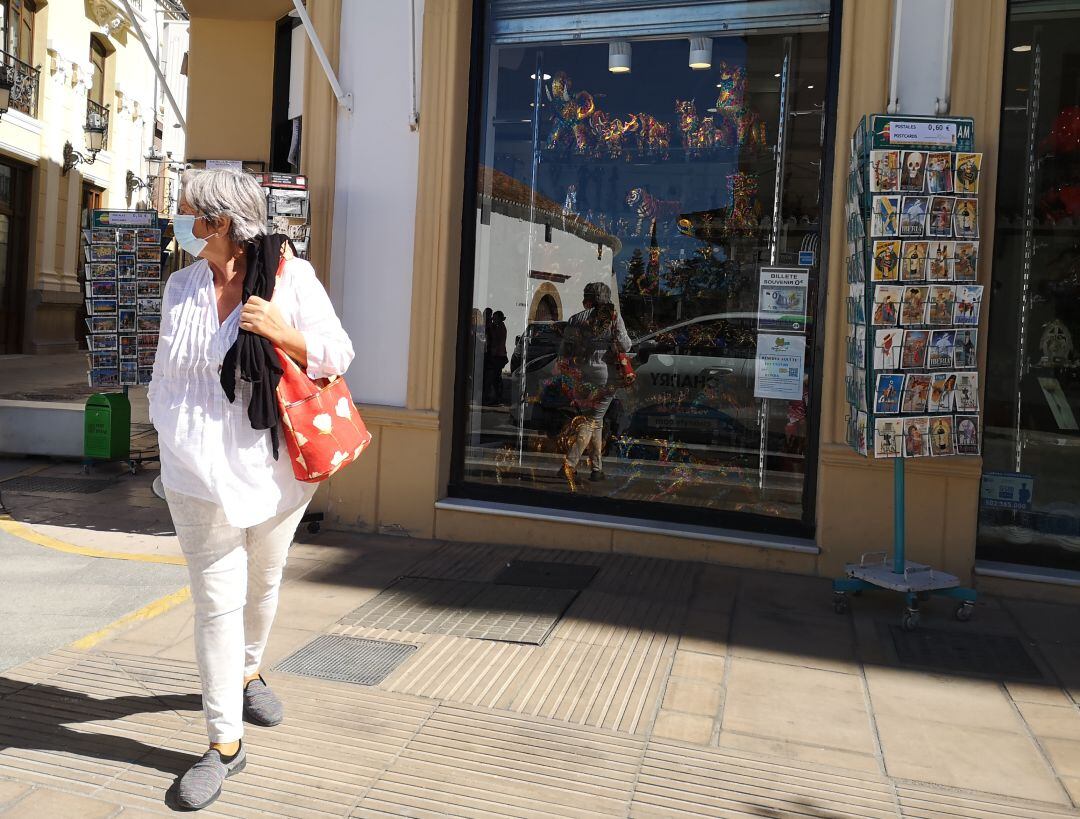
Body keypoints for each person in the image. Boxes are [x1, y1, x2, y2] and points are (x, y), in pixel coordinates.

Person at [148, 169, 354, 811]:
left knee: (263, 582)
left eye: (188, 213)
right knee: (215, 601)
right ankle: (223, 744)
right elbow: (168, 374)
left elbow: (337, 352)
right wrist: (167, 440)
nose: (178, 222)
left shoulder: (291, 278)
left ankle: (249, 669)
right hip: (191, 473)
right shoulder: (180, 286)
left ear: (222, 222)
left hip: (270, 468)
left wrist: (280, 331)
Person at [557, 281, 631, 487]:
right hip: (605, 375)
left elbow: (564, 351)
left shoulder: (576, 319)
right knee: (592, 422)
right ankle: (569, 466)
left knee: (594, 420)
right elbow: (626, 345)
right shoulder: (613, 318)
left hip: (581, 375)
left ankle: (596, 468)